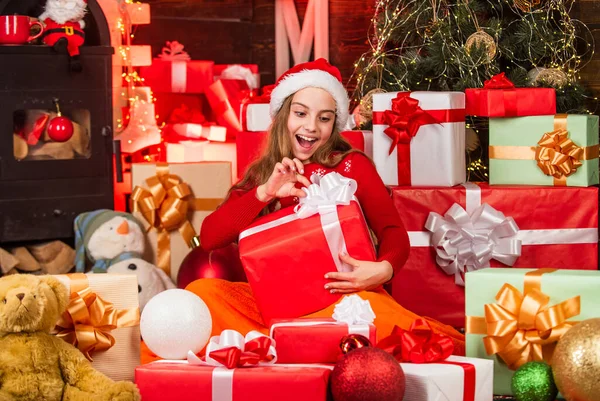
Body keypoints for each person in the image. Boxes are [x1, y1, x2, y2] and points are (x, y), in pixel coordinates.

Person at [141, 58, 464, 363]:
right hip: (272, 308)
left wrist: (384, 270)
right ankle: (289, 341)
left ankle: (283, 345)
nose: (311, 127)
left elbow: (393, 232)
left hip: (342, 305)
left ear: (334, 124)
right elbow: (210, 237)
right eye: (301, 113)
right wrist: (265, 192)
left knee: (417, 337)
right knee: (202, 293)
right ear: (283, 115)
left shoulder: (353, 166)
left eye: (324, 118)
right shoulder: (263, 175)